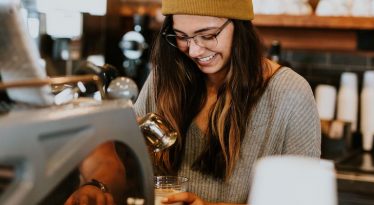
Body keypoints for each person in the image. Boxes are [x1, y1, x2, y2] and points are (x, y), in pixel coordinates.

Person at [66, 0, 321, 204]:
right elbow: (127, 165)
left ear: (240, 26)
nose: (194, 51)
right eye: (181, 36)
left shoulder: (289, 92)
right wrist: (98, 187)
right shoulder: (164, 80)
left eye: (207, 35)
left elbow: (303, 198)